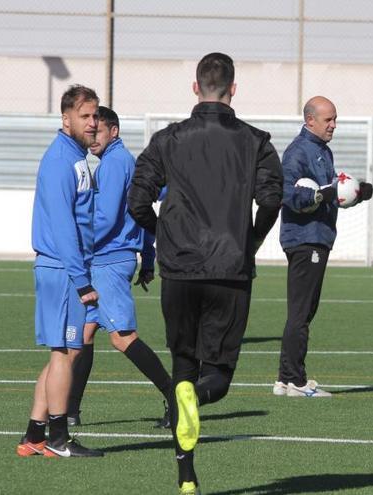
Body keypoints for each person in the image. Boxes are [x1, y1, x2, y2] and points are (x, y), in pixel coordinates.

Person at [127, 52, 284, 495]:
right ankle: (198, 398)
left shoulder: (167, 140)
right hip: (229, 267)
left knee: (182, 363)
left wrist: (163, 236)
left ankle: (187, 476)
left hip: (179, 270)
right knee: (216, 374)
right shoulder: (256, 141)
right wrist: (251, 238)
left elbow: (137, 201)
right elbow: (272, 199)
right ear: (233, 89)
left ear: (195, 88)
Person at [66, 106, 174, 429]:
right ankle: (70, 410)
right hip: (108, 258)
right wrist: (148, 259)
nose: (92, 134)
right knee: (83, 337)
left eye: (98, 129)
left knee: (123, 338)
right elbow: (140, 218)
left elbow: (107, 218)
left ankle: (176, 398)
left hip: (108, 261)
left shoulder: (114, 163)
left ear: (113, 131)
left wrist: (75, 243)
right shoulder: (118, 162)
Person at [16, 84, 103, 458]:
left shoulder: (76, 157)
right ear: (65, 119)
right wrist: (82, 280)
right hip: (63, 270)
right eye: (84, 116)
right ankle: (58, 438)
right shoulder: (59, 160)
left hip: (65, 268)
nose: (92, 123)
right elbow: (65, 226)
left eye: (95, 116)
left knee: (60, 352)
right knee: (67, 351)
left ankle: (34, 435)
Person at [272, 96, 373, 398]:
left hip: (316, 236)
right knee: (301, 312)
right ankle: (296, 381)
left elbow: (331, 193)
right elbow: (289, 194)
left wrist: (356, 193)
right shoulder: (297, 152)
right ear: (310, 121)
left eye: (335, 119)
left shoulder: (321, 151)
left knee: (303, 311)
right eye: (327, 120)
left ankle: (284, 379)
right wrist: (321, 195)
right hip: (305, 238)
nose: (333, 125)